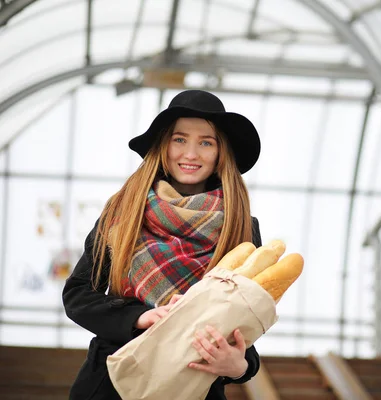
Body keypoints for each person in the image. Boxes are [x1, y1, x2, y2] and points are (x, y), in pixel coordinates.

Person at [62, 90, 263, 400]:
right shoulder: (122, 212)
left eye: (206, 142)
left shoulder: (242, 226)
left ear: (221, 152)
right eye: (179, 139)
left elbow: (246, 323)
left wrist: (239, 367)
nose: (191, 154)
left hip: (195, 384)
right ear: (163, 145)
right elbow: (78, 295)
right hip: (112, 383)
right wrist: (139, 317)